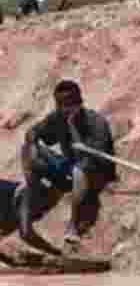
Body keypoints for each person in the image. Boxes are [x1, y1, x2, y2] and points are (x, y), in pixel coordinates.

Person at [21, 80, 118, 256]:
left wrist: (74, 129)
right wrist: (34, 141)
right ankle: (35, 197)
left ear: (79, 103)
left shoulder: (96, 122)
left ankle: (73, 224)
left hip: (94, 172)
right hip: (69, 167)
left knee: (79, 170)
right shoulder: (57, 118)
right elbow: (32, 132)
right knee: (30, 150)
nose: (66, 111)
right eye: (62, 107)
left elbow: (97, 159)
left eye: (70, 106)